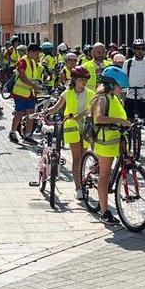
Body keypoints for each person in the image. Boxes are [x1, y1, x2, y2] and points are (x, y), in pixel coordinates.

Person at [41, 65, 93, 201]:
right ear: (75, 79)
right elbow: (56, 107)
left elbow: (91, 109)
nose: (84, 82)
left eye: (86, 79)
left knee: (84, 157)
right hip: (72, 128)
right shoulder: (67, 93)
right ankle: (78, 188)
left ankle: (82, 182)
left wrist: (81, 115)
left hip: (86, 128)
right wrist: (45, 112)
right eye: (82, 79)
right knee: (77, 159)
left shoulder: (90, 93)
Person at [91, 65, 131, 225]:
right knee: (104, 176)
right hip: (105, 142)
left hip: (118, 140)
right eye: (120, 87)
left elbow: (120, 117)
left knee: (128, 164)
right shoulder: (102, 99)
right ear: (112, 85)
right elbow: (99, 118)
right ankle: (104, 212)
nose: (122, 90)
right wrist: (119, 121)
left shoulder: (115, 99)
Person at [123, 39, 145, 155]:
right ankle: (127, 147)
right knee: (128, 122)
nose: (140, 51)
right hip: (131, 96)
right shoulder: (128, 63)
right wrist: (122, 94)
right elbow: (124, 80)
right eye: (137, 48)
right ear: (133, 50)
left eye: (142, 49)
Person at [10, 43, 44, 143]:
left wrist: (37, 87)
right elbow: (22, 76)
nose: (37, 56)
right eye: (36, 53)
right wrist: (34, 86)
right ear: (30, 52)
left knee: (31, 114)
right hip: (20, 92)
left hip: (30, 93)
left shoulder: (33, 62)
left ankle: (28, 135)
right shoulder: (23, 61)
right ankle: (12, 132)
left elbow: (33, 78)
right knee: (19, 113)